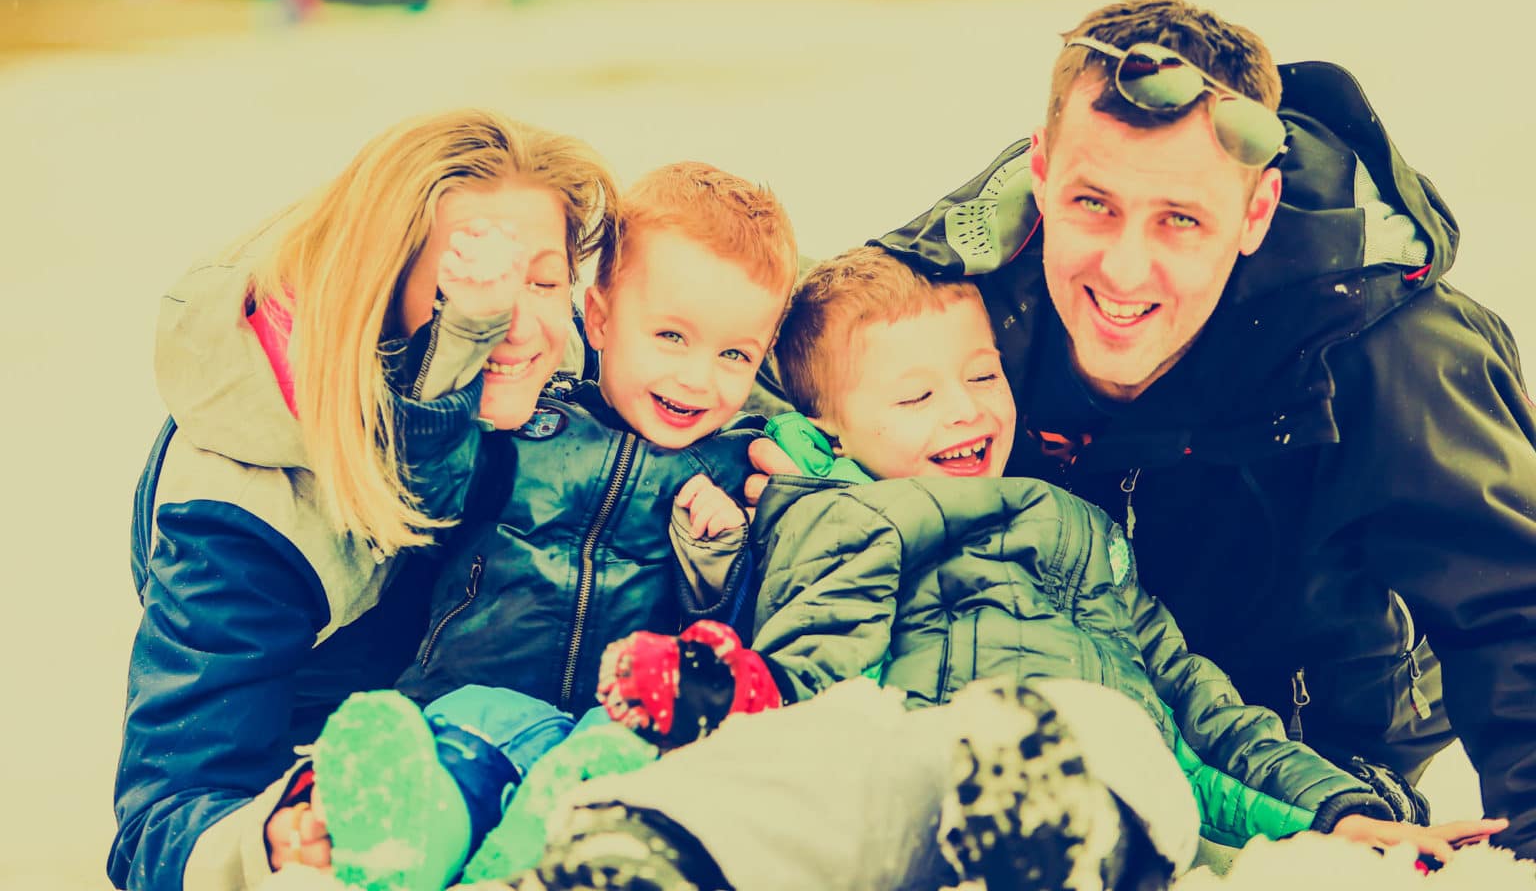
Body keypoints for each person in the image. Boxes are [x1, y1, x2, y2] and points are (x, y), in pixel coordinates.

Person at [524, 246, 1501, 891]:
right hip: (910, 749)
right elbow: (806, 666)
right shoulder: (821, 512)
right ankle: (647, 847)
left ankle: (1044, 830)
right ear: (829, 428)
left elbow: (1203, 707)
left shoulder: (1069, 523)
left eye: (983, 375)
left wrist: (1344, 808)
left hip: (1100, 755)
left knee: (1099, 732)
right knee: (826, 764)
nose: (965, 409)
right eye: (917, 395)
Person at [859, 0, 1536, 856]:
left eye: (1181, 220)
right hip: (1042, 733)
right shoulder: (953, 302)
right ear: (1040, 171)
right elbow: (774, 382)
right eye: (1093, 204)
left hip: (1321, 758)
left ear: (1256, 213)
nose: (1125, 268)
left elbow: (1516, 614)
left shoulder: (1392, 349)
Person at [109, 108, 618, 891]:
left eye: (543, 280)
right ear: (380, 295)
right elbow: (161, 820)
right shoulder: (243, 515)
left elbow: (750, 313)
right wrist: (282, 835)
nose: (518, 325)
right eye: (465, 288)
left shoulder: (556, 374)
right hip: (352, 799)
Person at [292, 161, 800, 891]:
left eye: (733, 355)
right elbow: (421, 485)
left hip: (612, 723)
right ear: (597, 316)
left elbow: (726, 641)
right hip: (472, 695)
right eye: (670, 336)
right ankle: (406, 844)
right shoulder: (524, 424)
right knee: (458, 764)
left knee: (614, 765)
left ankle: (537, 846)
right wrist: (462, 337)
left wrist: (719, 559)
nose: (698, 378)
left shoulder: (730, 471)